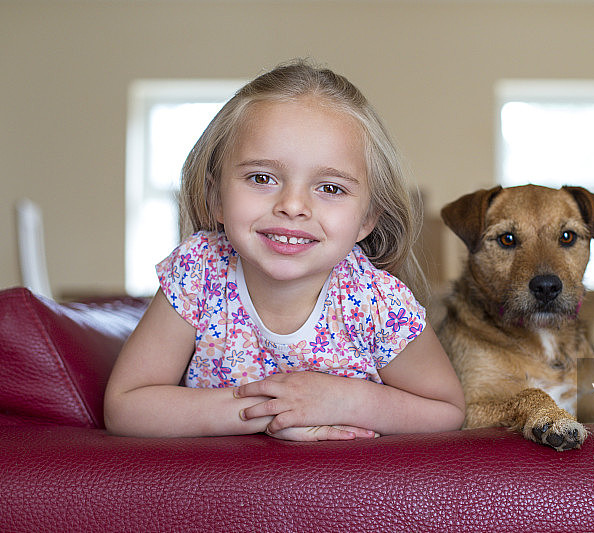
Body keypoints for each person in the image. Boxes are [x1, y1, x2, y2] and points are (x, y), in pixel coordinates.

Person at [104, 60, 465, 441]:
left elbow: (446, 410)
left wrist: (345, 402)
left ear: (367, 219)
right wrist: (275, 411)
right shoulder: (198, 274)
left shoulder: (377, 303)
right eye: (262, 178)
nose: (293, 206)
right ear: (216, 199)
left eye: (330, 188)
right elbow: (126, 406)